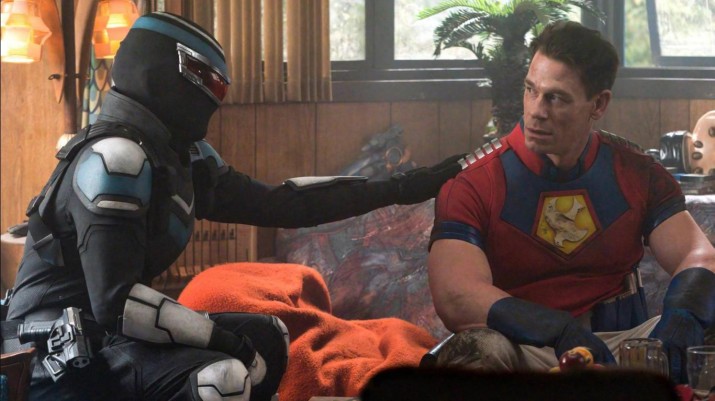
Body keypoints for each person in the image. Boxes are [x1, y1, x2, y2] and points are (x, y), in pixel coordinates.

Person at [2, 12, 465, 401]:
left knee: (268, 336)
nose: (214, 94)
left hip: (110, 338)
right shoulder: (114, 159)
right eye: (204, 78)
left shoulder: (179, 157)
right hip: (53, 355)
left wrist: (402, 187)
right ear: (161, 69)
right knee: (224, 378)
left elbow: (284, 204)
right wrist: (223, 341)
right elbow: (116, 303)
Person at [426, 20, 715, 384]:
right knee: (473, 351)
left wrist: (683, 317)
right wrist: (556, 328)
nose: (536, 110)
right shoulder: (474, 183)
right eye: (531, 90)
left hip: (625, 351)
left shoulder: (637, 173)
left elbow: (699, 256)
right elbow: (456, 294)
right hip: (522, 352)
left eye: (556, 98)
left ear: (598, 104)